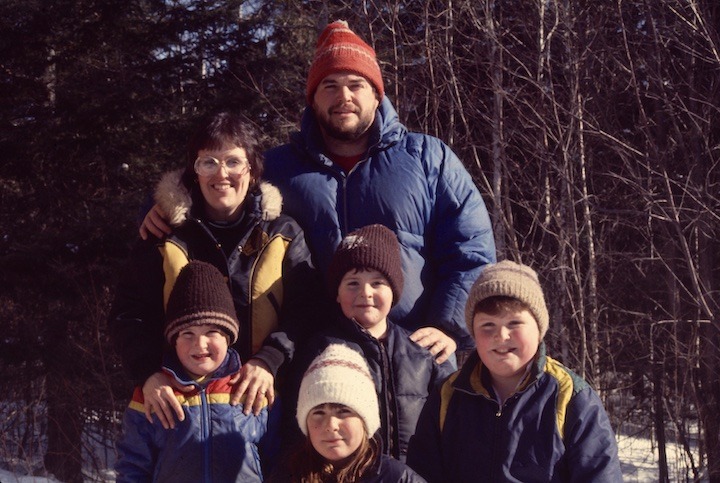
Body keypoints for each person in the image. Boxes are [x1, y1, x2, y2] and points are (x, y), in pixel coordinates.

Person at [140, 20, 496, 365]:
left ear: (376, 94)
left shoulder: (427, 159)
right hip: (312, 362)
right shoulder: (279, 168)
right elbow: (219, 186)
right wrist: (165, 204)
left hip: (413, 359)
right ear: (312, 98)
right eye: (330, 85)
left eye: (356, 84)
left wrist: (447, 325)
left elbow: (471, 251)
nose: (344, 96)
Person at [109, 111, 321, 429]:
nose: (221, 174)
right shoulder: (164, 234)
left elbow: (306, 310)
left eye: (233, 161)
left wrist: (270, 359)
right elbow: (128, 313)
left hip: (263, 405)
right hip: (180, 409)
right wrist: (148, 373)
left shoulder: (283, 233)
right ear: (194, 171)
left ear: (252, 170)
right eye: (208, 162)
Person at [406, 261, 623, 482]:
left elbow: (600, 475)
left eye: (514, 323)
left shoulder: (571, 397)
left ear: (539, 329)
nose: (501, 336)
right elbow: (422, 473)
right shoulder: (448, 395)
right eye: (487, 325)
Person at [285, 224, 454, 463]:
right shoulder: (319, 350)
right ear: (337, 293)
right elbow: (296, 429)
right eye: (353, 283)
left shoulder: (422, 351)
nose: (365, 292)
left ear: (394, 291)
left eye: (377, 283)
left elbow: (456, 423)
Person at [115, 260, 280, 482]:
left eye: (212, 331)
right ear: (173, 341)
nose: (200, 344)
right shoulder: (155, 393)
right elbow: (133, 465)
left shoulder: (250, 388)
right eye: (187, 334)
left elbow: (278, 459)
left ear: (228, 338)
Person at [273, 343, 426, 482]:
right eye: (319, 413)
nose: (331, 425)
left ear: (365, 421)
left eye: (344, 411)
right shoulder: (287, 474)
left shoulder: (397, 477)